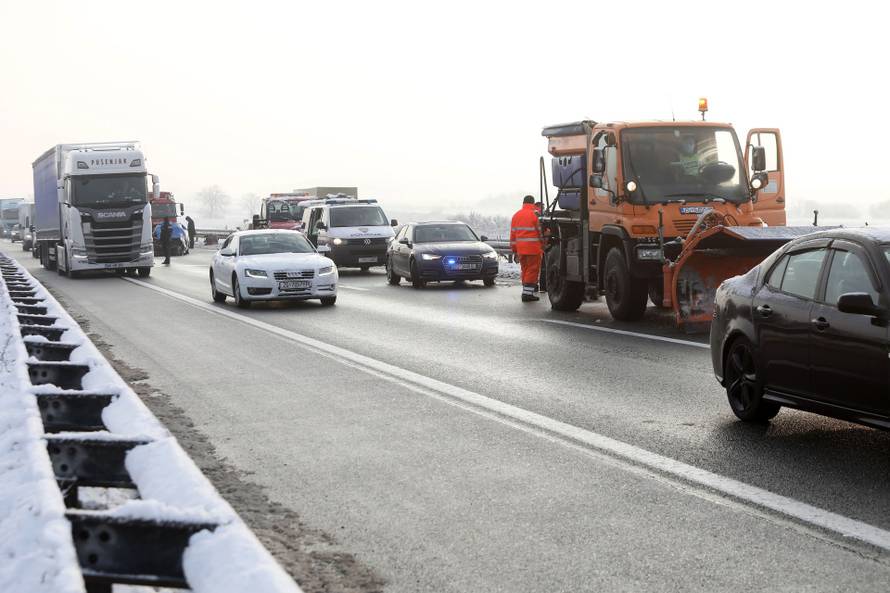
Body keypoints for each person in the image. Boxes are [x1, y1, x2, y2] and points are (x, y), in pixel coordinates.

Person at [510, 195, 544, 302]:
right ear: (533, 203)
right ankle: (527, 294)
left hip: (520, 249)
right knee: (532, 270)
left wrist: (515, 250)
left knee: (525, 270)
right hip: (533, 249)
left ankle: (526, 290)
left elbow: (513, 235)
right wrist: (544, 243)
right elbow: (540, 232)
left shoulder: (516, 215)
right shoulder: (535, 214)